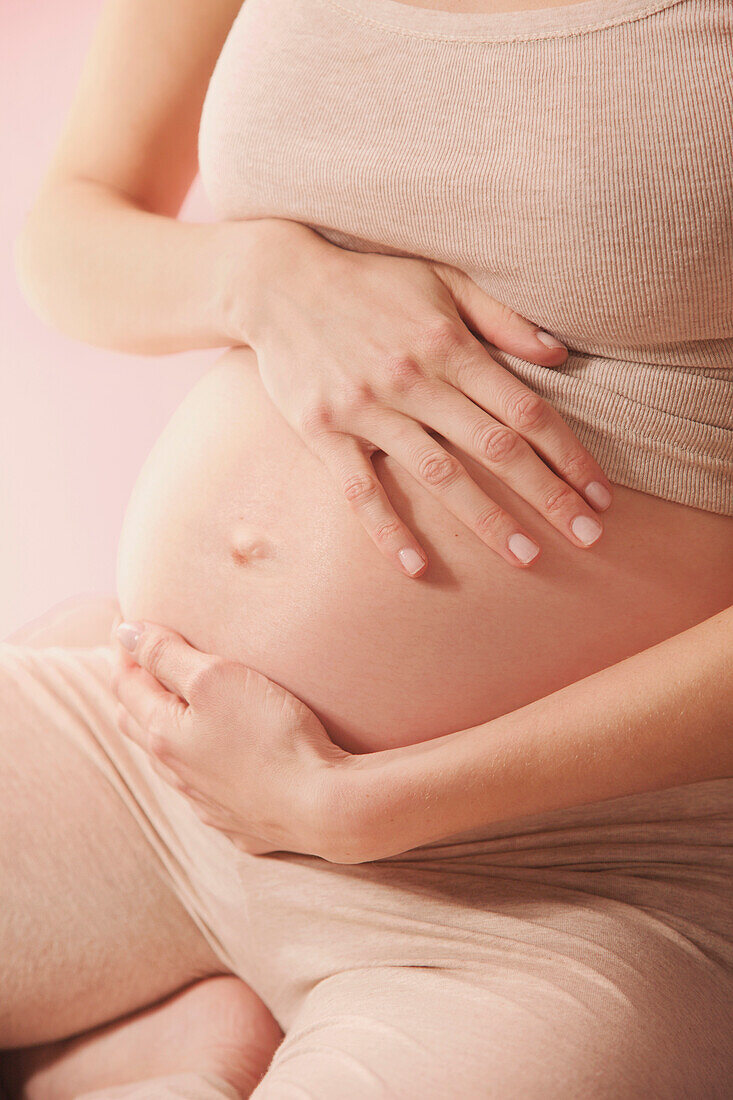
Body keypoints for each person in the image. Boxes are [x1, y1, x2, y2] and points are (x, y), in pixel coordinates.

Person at [3, 0, 732, 1096]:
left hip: (566, 882)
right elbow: (73, 225)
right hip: (155, 750)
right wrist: (259, 280)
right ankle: (149, 1038)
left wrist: (362, 803)